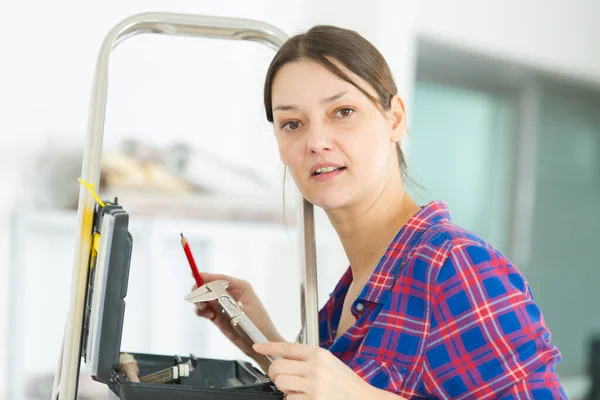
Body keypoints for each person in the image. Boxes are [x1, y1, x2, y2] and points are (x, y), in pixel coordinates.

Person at [192, 25, 566, 399]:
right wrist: (258, 336)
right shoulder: (353, 291)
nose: (316, 142)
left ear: (395, 119)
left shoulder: (456, 266)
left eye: (343, 111)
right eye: (292, 123)